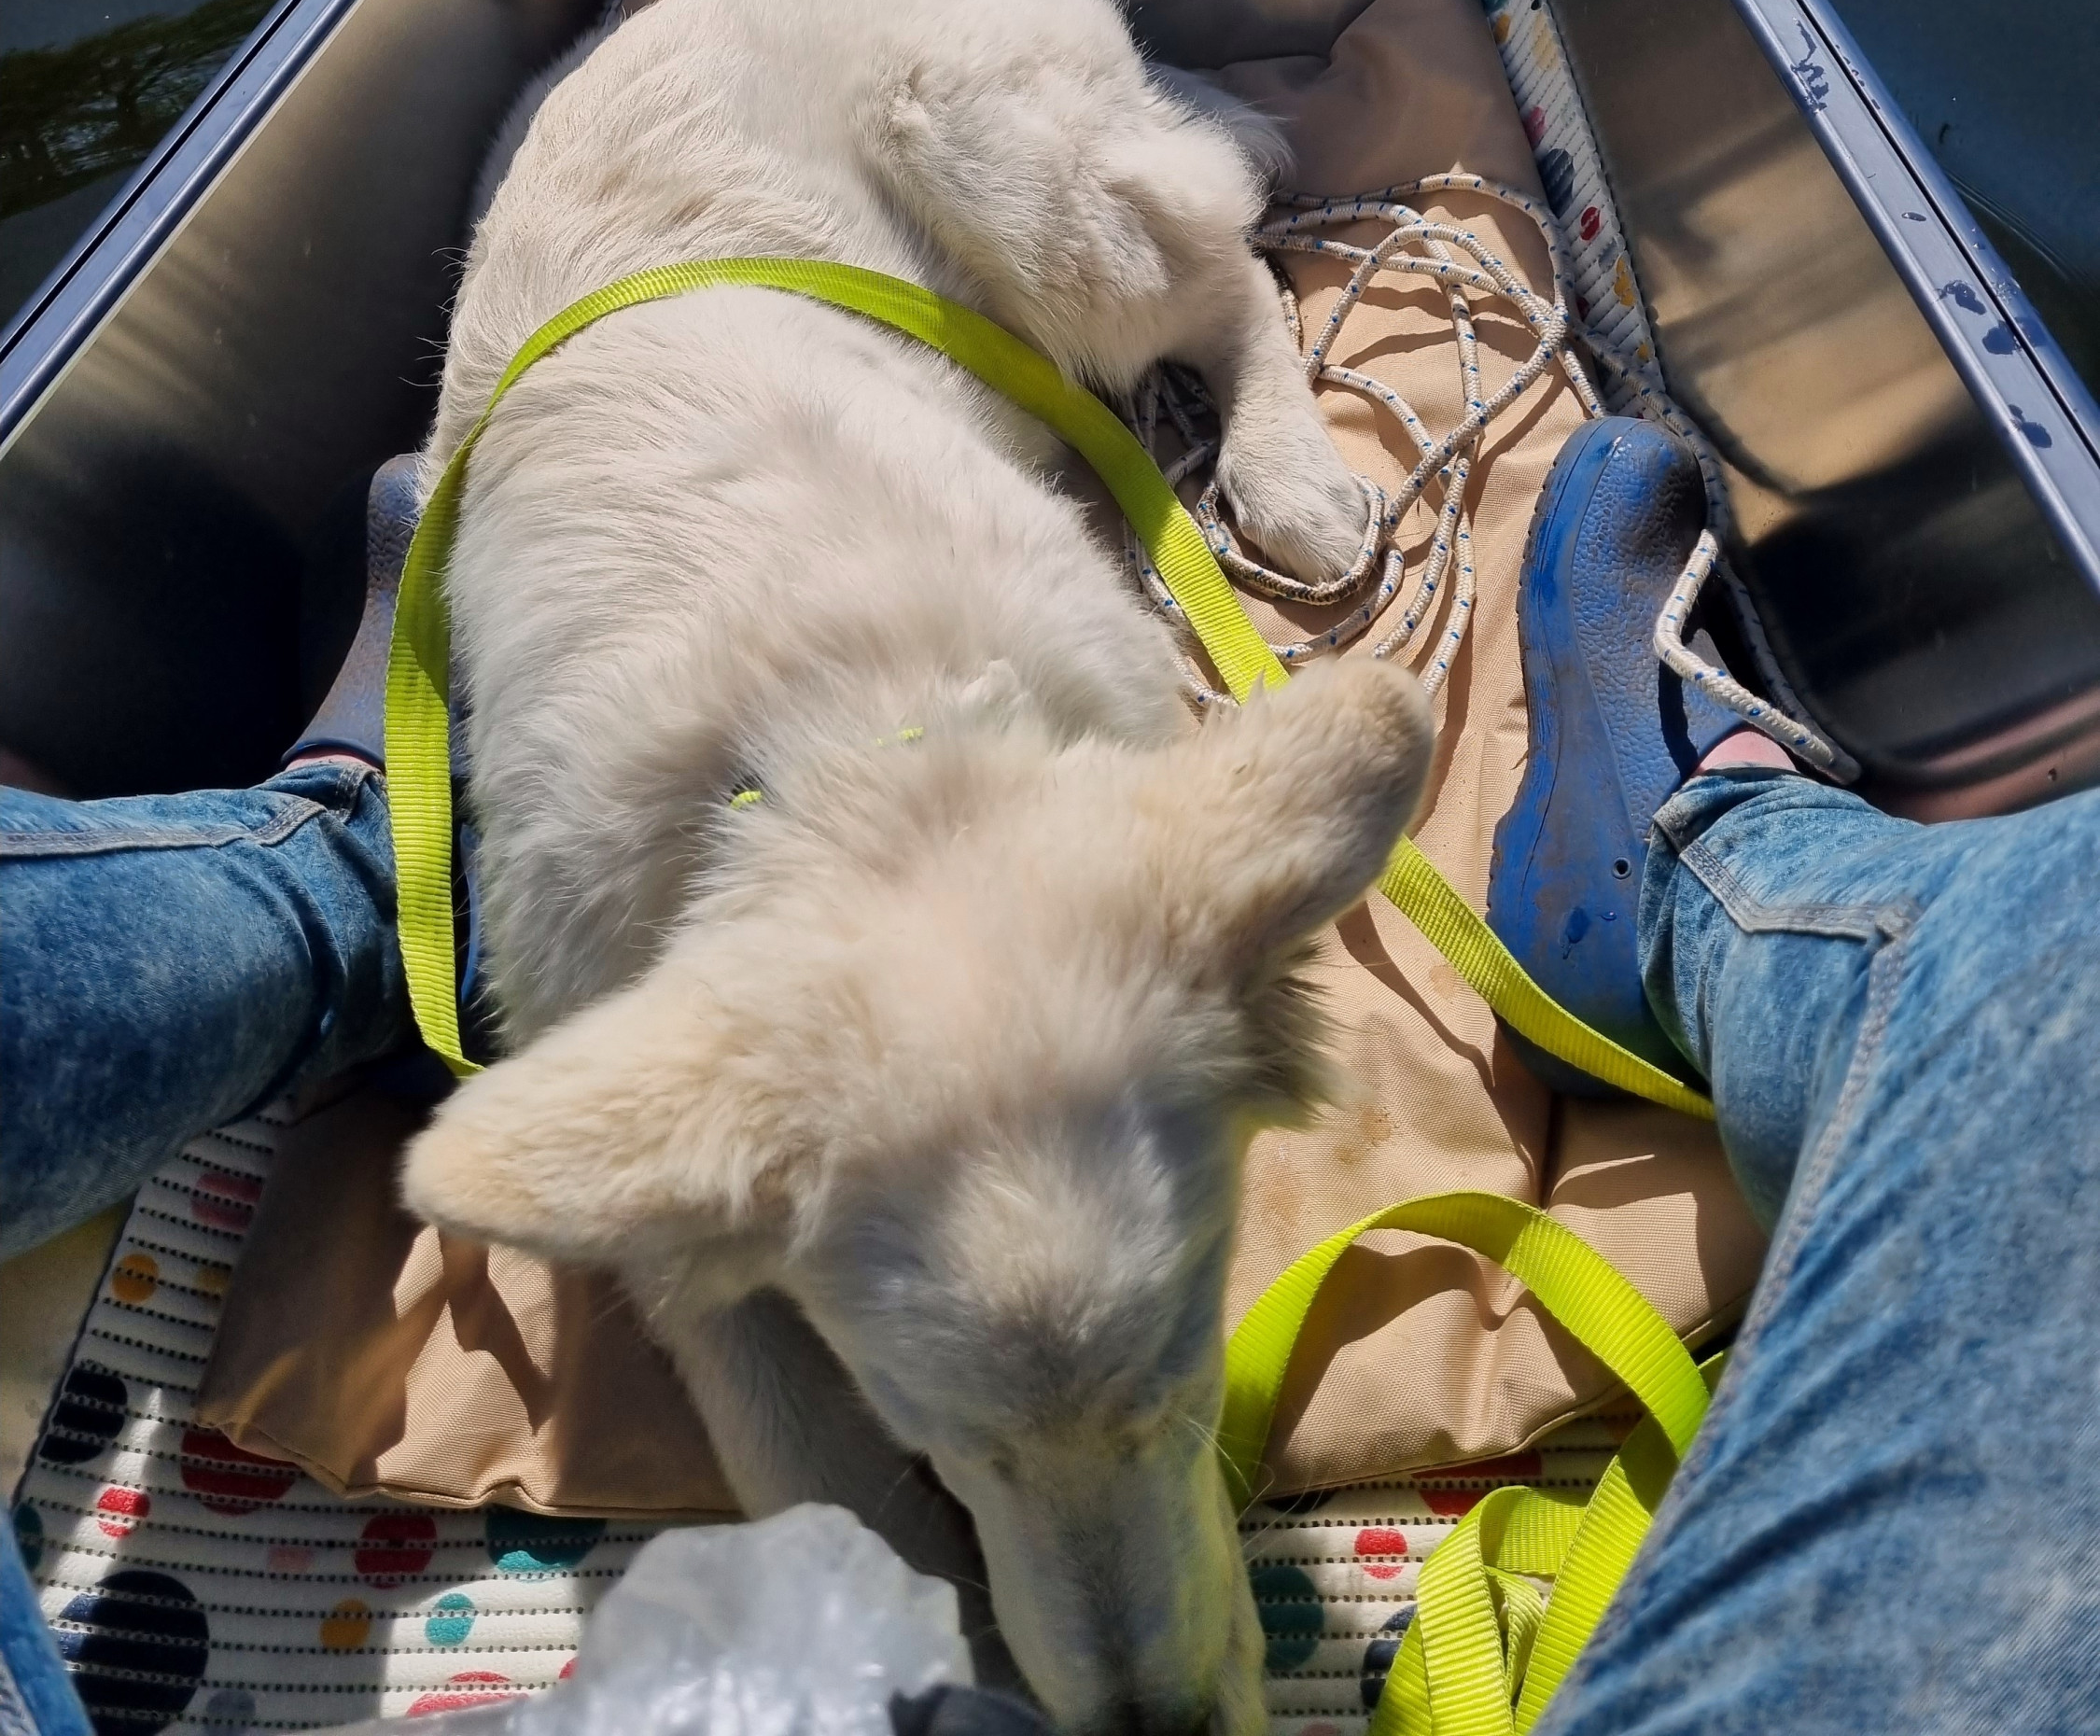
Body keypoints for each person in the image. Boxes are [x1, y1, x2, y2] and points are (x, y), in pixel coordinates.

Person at [4, 420, 2097, 1733]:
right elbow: (683, 1244)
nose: (1137, 1667)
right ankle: (1700, 883)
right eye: (991, 1451)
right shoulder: (743, 1139)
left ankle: (348, 861)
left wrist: (1251, 396)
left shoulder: (1172, 956)